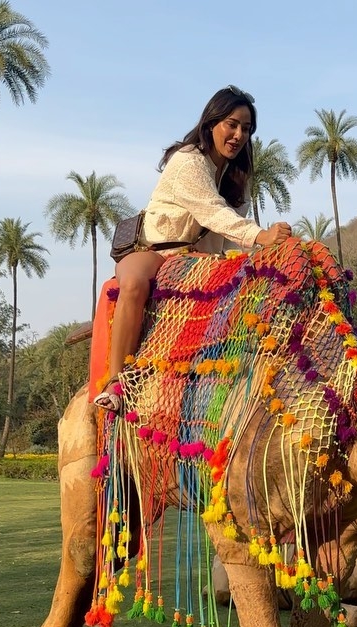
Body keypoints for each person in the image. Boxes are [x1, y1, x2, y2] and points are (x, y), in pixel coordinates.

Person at [94, 85, 292, 411]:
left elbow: (229, 237)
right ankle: (117, 382)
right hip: (157, 250)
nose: (238, 134)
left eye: (246, 129)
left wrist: (263, 257)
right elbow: (213, 212)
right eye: (232, 124)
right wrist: (262, 237)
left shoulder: (238, 176)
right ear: (212, 122)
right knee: (132, 283)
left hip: (202, 260)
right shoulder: (188, 161)